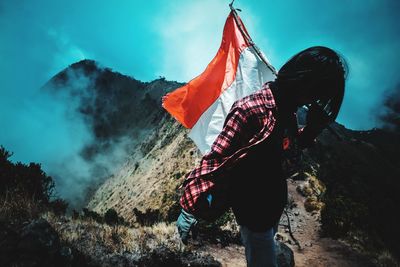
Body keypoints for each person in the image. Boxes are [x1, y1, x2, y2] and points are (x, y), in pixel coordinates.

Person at [177, 46, 348, 267]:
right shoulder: (251, 111)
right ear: (305, 83)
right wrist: (189, 208)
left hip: (271, 205)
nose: (313, 102)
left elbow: (286, 157)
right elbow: (215, 160)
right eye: (316, 95)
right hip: (253, 210)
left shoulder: (288, 112)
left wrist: (310, 133)